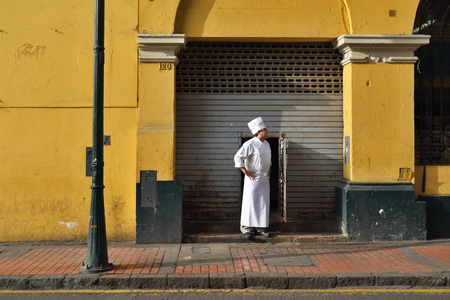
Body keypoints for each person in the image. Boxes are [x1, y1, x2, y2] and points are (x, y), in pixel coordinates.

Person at [234, 117, 272, 240]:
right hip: (253, 179)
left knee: (263, 204)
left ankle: (261, 228)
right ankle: (246, 229)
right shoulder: (250, 143)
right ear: (259, 131)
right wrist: (246, 171)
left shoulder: (267, 144)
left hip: (264, 179)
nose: (267, 131)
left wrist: (268, 172)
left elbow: (269, 161)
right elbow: (238, 157)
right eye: (265, 129)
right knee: (250, 203)